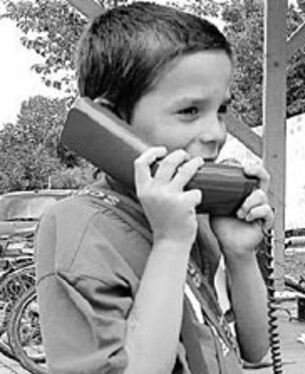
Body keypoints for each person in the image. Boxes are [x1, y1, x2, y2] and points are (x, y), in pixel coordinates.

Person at [35, 3, 271, 373]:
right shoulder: (78, 229)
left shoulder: (189, 213)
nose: (217, 134)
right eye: (190, 111)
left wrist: (240, 256)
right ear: (111, 121)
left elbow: (254, 349)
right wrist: (171, 242)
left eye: (221, 109)